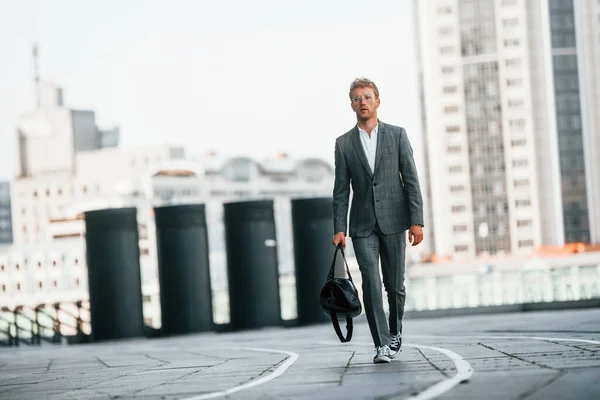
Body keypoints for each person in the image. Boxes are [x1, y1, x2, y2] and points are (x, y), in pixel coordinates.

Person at [332, 77, 424, 364]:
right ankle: (381, 344)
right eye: (358, 98)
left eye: (368, 97)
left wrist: (416, 220)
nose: (363, 102)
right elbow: (340, 190)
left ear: (377, 101)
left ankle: (395, 332)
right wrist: (339, 228)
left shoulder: (397, 135)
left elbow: (410, 180)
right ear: (351, 105)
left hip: (395, 221)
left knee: (394, 285)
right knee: (370, 283)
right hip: (361, 226)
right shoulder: (344, 143)